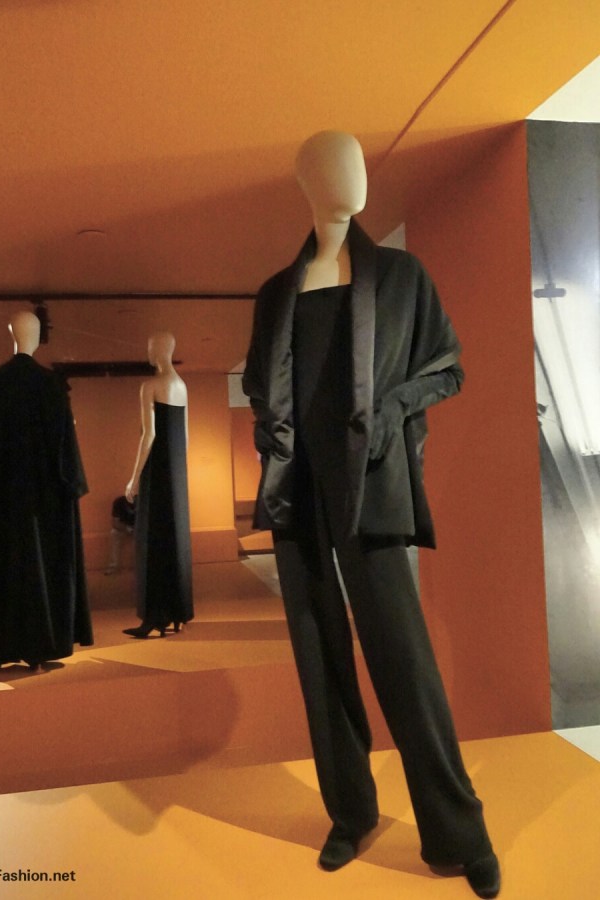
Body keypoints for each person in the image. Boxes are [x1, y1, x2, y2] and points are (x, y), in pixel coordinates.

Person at [242, 131, 500, 898]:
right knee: (318, 656)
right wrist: (269, 427)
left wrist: (392, 407)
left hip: (370, 486)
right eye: (333, 163)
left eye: (356, 159)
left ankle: (458, 831)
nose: (352, 175)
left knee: (404, 659)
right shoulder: (275, 292)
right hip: (296, 491)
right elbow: (261, 385)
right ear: (306, 181)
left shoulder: (399, 276)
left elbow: (447, 368)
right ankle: (350, 814)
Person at [0, 310, 93, 672]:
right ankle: (42, 648)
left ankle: (1, 648)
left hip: (7, 493)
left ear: (11, 333)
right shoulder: (51, 384)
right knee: (46, 564)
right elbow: (65, 441)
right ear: (38, 337)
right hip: (48, 494)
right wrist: (71, 484)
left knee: (7, 566)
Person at [123, 331, 193, 638]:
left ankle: (154, 617)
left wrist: (134, 476)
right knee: (175, 540)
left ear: (159, 350)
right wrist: (178, 472)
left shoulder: (150, 386)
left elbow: (148, 435)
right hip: (176, 473)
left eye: (151, 347)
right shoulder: (182, 386)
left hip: (157, 471)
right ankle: (177, 613)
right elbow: (185, 436)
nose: (148, 352)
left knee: (153, 540)